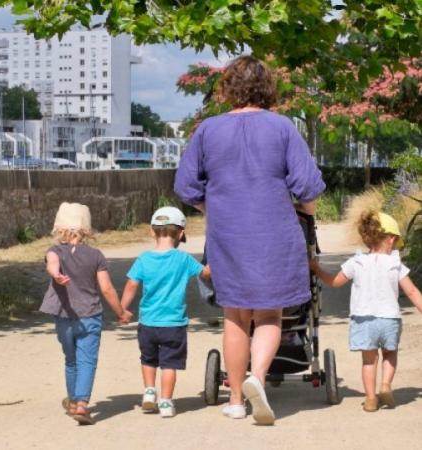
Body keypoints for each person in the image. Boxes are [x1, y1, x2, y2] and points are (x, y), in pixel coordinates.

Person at [174, 55, 325, 425]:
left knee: (236, 316)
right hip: (275, 231)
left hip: (227, 233)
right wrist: (307, 210)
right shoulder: (282, 127)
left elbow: (185, 186)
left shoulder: (207, 130)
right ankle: (259, 376)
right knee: (270, 312)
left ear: (228, 88)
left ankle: (237, 399)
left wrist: (212, 206)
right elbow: (307, 187)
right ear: (267, 88)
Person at [311, 211, 422, 412]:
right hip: (389, 319)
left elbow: (335, 282)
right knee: (389, 354)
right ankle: (386, 385)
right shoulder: (395, 263)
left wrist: (317, 269)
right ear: (389, 239)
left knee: (368, 361)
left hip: (363, 320)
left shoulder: (357, 262)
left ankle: (370, 399)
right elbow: (412, 292)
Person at [40, 202, 132, 425]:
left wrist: (56, 275)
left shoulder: (54, 251)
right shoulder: (96, 255)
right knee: (87, 360)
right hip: (89, 315)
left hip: (63, 318)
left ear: (59, 226)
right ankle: (81, 405)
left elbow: (51, 264)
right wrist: (121, 312)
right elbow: (107, 289)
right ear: (86, 228)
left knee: (71, 360)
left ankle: (72, 402)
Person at [120, 207, 210, 418]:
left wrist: (123, 309)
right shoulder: (183, 259)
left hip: (148, 322)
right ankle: (167, 402)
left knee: (148, 359)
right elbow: (205, 274)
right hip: (174, 324)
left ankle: (149, 392)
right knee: (170, 364)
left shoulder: (143, 259)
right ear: (180, 233)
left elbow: (131, 285)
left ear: (152, 231)